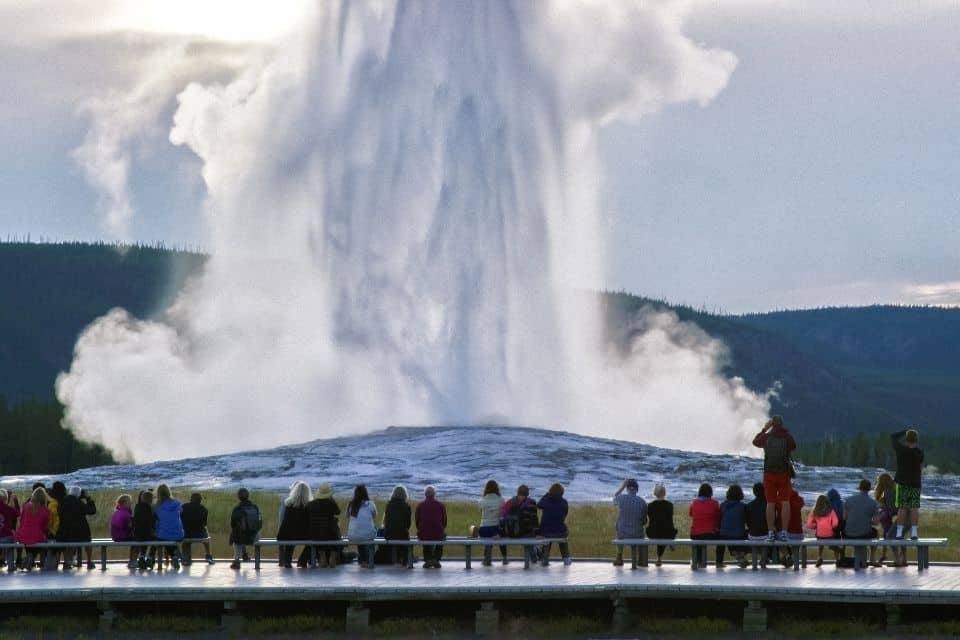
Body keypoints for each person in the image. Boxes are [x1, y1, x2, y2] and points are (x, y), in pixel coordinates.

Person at [752, 416, 797, 542]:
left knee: (770, 503)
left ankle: (771, 532)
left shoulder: (767, 436)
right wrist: (786, 432)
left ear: (772, 425)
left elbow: (755, 442)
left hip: (769, 473)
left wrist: (764, 429)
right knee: (785, 502)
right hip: (784, 473)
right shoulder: (786, 435)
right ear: (782, 424)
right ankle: (784, 532)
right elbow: (793, 446)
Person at [891, 428, 924, 540]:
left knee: (902, 508)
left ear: (906, 439)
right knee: (914, 507)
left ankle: (899, 533)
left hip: (902, 482)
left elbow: (893, 436)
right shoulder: (919, 452)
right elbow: (920, 468)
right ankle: (914, 533)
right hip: (915, 482)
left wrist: (904, 430)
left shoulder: (901, 450)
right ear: (916, 439)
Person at [56, 486, 96, 571]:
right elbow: (92, 511)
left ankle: (68, 562)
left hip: (65, 532)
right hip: (81, 532)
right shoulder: (79, 503)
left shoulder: (63, 502)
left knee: (69, 543)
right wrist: (88, 498)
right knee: (87, 541)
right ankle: (89, 561)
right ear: (79, 494)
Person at [844, 478, 880, 566]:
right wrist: (867, 521)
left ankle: (861, 561)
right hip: (864, 534)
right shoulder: (873, 503)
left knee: (860, 537)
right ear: (869, 489)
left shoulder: (848, 500)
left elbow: (844, 518)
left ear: (859, 488)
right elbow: (876, 523)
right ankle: (872, 559)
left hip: (848, 533)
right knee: (876, 533)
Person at [501, 485, 539, 566]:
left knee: (529, 539)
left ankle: (533, 559)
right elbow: (534, 519)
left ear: (518, 492)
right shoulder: (531, 502)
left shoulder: (510, 502)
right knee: (530, 539)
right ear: (527, 493)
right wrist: (538, 533)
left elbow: (503, 515)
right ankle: (534, 559)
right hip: (526, 533)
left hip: (511, 533)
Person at [612, 479, 647, 567]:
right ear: (637, 489)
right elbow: (644, 521)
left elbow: (614, 498)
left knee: (619, 525)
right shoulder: (642, 502)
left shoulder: (621, 498)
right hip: (637, 534)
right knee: (638, 530)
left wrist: (622, 486)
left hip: (623, 534)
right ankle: (641, 560)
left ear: (627, 488)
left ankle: (619, 557)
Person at [307, 483, 342, 568]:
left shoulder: (312, 504)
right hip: (331, 533)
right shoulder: (331, 503)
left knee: (320, 530)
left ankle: (322, 556)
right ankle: (332, 556)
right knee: (335, 533)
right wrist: (332, 500)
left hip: (316, 534)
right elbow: (338, 512)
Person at [277, 482, 311, 568]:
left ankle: (287, 561)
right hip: (303, 535)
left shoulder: (288, 503)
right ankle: (302, 560)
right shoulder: (309, 505)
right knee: (312, 543)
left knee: (290, 538)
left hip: (286, 534)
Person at [15, 487, 49, 572]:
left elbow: (22, 521)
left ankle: (29, 557)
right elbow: (45, 527)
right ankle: (32, 558)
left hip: (22, 534)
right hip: (36, 535)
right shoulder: (45, 510)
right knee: (42, 540)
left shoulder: (26, 506)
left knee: (28, 541)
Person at [537, 483, 571, 566]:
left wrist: (546, 494)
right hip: (560, 531)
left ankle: (545, 557)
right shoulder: (564, 502)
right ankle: (566, 558)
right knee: (563, 536)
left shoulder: (546, 501)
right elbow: (565, 514)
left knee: (548, 537)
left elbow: (538, 505)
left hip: (546, 531)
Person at [689, 483, 721, 568]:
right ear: (710, 492)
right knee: (721, 537)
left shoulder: (694, 502)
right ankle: (719, 562)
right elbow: (718, 517)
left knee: (699, 536)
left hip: (694, 534)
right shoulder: (715, 503)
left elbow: (691, 514)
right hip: (710, 534)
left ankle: (698, 561)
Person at [645, 484, 677, 567]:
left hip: (653, 533)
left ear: (655, 493)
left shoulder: (650, 505)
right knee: (667, 530)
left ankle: (659, 559)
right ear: (665, 493)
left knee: (657, 528)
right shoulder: (670, 505)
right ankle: (659, 558)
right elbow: (669, 521)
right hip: (668, 532)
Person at [415, 485, 447, 569]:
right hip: (438, 533)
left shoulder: (420, 505)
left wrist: (420, 529)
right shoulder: (440, 505)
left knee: (424, 535)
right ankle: (436, 558)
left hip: (424, 533)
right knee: (441, 536)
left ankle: (428, 559)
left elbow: (417, 522)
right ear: (434, 494)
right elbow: (444, 522)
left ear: (425, 494)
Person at [229, 488, 261, 569]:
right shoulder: (255, 507)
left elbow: (232, 524)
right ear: (248, 496)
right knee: (241, 533)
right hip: (255, 536)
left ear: (238, 497)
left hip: (241, 538)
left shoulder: (237, 509)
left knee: (236, 535)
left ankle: (237, 561)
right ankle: (244, 554)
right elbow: (260, 523)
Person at [345, 485, 377, 568]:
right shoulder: (370, 504)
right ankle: (368, 559)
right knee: (370, 532)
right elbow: (374, 516)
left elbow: (347, 516)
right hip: (367, 535)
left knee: (359, 533)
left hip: (353, 535)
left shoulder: (350, 504)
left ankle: (362, 560)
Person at [718, 484, 749, 568]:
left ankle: (735, 556)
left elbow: (720, 520)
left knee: (726, 533)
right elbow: (747, 522)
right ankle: (740, 555)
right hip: (738, 534)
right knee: (747, 534)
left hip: (724, 534)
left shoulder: (722, 505)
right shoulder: (743, 506)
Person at [154, 484, 184, 570]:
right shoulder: (177, 503)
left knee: (162, 538)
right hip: (179, 534)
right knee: (168, 537)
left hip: (163, 535)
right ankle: (174, 556)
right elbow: (180, 513)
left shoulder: (157, 506)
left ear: (158, 493)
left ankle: (174, 555)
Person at [181, 492, 215, 566]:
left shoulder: (183, 507)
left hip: (187, 534)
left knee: (185, 537)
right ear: (200, 500)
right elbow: (205, 524)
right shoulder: (204, 509)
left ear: (190, 499)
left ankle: (186, 557)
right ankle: (208, 555)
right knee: (206, 535)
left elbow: (180, 520)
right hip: (200, 534)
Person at [478, 480, 507, 566]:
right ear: (497, 488)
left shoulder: (481, 500)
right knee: (502, 535)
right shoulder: (501, 500)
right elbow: (503, 515)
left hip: (483, 529)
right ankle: (504, 558)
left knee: (488, 539)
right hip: (496, 528)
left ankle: (486, 558)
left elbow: (481, 512)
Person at [806, 494, 840, 568]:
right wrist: (831, 527)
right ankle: (837, 560)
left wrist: (815, 526)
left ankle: (819, 557)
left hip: (820, 535)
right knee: (834, 544)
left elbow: (809, 524)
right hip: (830, 535)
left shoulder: (815, 511)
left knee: (820, 544)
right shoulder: (831, 511)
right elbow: (835, 523)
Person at [382, 485, 411, 567]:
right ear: (405, 494)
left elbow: (386, 521)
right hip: (402, 534)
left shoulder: (389, 505)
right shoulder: (407, 506)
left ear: (393, 494)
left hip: (389, 534)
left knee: (396, 534)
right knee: (403, 536)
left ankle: (396, 558)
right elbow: (408, 523)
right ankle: (403, 559)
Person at [874, 472, 899, 566]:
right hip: (898, 516)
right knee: (891, 535)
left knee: (889, 535)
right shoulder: (895, 488)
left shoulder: (887, 492)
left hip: (892, 516)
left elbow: (889, 507)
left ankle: (896, 559)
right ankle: (886, 555)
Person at [110, 494, 138, 569]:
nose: (131, 503)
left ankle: (131, 560)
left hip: (115, 536)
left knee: (134, 540)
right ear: (125, 503)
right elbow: (129, 527)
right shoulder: (125, 513)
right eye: (129, 502)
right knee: (137, 542)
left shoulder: (117, 512)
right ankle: (133, 561)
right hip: (121, 536)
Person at [133, 490, 158, 570]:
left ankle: (142, 556)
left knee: (144, 540)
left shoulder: (137, 507)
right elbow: (153, 521)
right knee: (155, 539)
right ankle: (151, 557)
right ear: (152, 499)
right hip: (148, 534)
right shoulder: (151, 507)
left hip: (138, 534)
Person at [0, 489, 20, 572]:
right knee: (10, 548)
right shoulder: (8, 508)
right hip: (6, 537)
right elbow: (18, 513)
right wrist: (16, 502)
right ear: (5, 498)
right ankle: (11, 566)